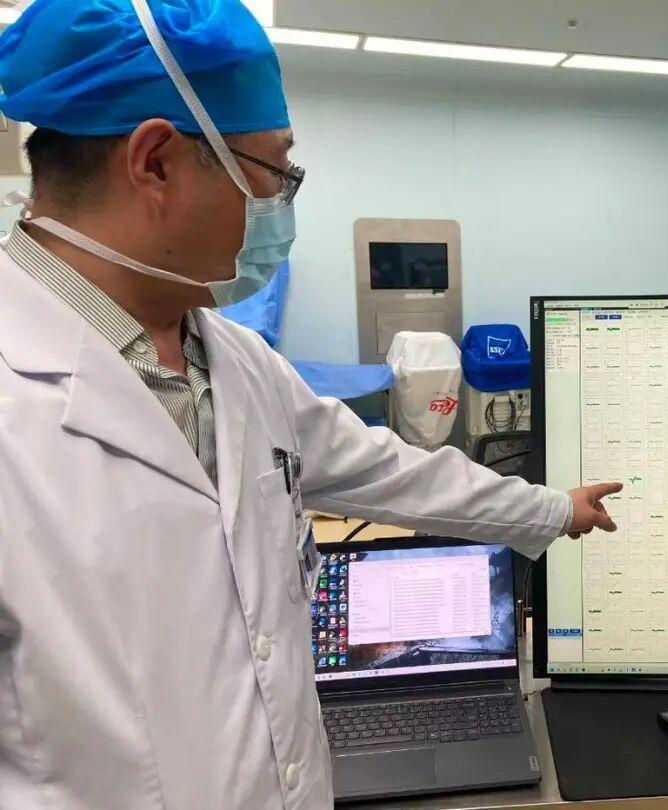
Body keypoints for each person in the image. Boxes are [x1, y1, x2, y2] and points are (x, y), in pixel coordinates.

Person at [0, 1, 621, 807]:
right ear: (155, 163)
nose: (282, 204)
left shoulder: (236, 361)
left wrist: (550, 509)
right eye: (275, 171)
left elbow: (390, 472)